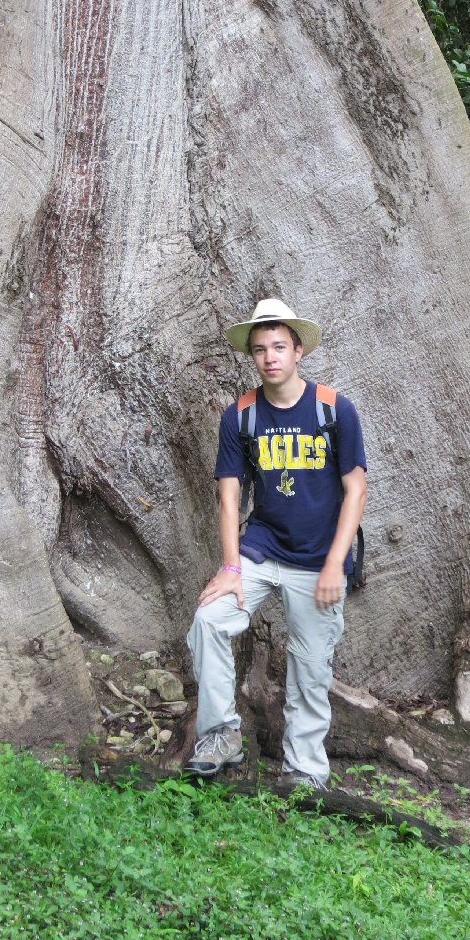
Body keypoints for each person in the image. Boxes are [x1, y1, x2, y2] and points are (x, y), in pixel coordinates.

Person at [185, 298, 367, 790]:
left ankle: (303, 769)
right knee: (209, 621)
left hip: (319, 558)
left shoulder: (333, 409)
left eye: (279, 347)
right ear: (252, 355)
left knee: (310, 665)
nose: (270, 357)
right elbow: (229, 497)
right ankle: (221, 735)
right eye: (261, 349)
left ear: (298, 351)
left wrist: (335, 564)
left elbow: (356, 490)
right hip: (261, 550)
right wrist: (231, 567)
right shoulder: (241, 415)